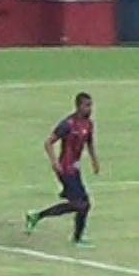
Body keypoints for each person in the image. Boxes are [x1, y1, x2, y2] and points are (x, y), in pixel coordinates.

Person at [24, 92, 99, 247]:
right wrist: (54, 162)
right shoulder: (68, 124)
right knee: (82, 204)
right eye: (87, 105)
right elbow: (48, 142)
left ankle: (38, 216)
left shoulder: (88, 124)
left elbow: (89, 143)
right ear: (78, 106)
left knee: (81, 204)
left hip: (75, 170)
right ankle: (75, 238)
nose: (90, 108)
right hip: (65, 169)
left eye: (91, 105)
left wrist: (94, 161)